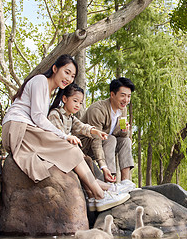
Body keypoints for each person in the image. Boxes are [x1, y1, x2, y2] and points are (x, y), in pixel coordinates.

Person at [1, 54, 129, 212]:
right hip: (18, 127)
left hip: (26, 128)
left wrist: (92, 131)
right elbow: (38, 117)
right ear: (55, 69)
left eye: (72, 76)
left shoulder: (49, 92)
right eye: (66, 72)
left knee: (72, 151)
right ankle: (99, 195)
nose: (68, 78)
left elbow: (79, 125)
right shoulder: (40, 80)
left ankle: (102, 190)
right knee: (71, 148)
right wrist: (64, 136)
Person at [47, 83, 131, 211]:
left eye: (80, 103)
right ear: (64, 99)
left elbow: (82, 126)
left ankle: (103, 193)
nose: (78, 105)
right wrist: (103, 166)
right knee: (81, 160)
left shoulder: (70, 117)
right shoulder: (55, 114)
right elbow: (57, 135)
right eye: (75, 101)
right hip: (60, 152)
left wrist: (94, 131)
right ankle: (104, 192)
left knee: (86, 164)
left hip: (70, 152)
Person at [79, 77, 136, 192]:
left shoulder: (122, 109)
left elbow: (122, 136)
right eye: (123, 95)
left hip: (106, 145)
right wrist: (103, 167)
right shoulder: (97, 110)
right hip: (86, 146)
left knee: (126, 141)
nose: (126, 100)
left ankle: (126, 183)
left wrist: (125, 131)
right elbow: (96, 141)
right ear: (112, 94)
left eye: (129, 96)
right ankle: (110, 183)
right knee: (110, 139)